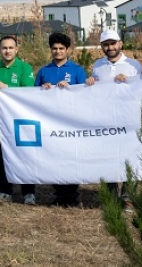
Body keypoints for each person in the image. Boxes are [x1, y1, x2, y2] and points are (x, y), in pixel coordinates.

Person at [85, 29, 142, 211]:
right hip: (106, 119)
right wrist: (91, 81)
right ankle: (111, 195)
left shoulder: (133, 65)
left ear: (120, 44)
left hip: (129, 119)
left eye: (113, 43)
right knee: (109, 157)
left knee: (130, 157)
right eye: (106, 44)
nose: (110, 47)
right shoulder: (98, 65)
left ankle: (128, 197)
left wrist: (129, 80)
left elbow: (141, 87)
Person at [34, 32, 87, 207]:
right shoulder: (44, 71)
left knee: (71, 158)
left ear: (67, 50)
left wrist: (71, 88)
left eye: (61, 48)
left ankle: (72, 195)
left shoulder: (77, 70)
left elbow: (85, 94)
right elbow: (32, 96)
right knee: (53, 157)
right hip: (49, 123)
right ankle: (59, 194)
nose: (57, 51)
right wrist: (42, 88)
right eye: (54, 48)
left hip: (71, 122)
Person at [0, 35, 36, 204]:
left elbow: (28, 92)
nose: (7, 51)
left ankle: (28, 192)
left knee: (24, 155)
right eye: (4, 48)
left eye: (10, 48)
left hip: (20, 122)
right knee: (1, 157)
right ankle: (5, 191)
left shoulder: (24, 68)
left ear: (17, 49)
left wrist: (8, 89)